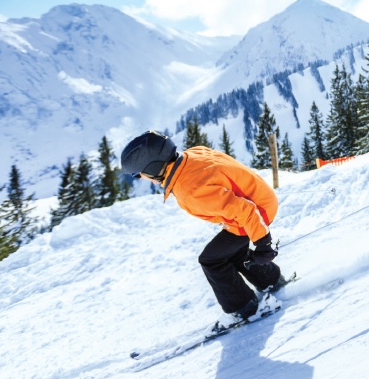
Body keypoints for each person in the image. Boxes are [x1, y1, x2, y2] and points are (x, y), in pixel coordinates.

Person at [120, 130, 287, 332]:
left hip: (256, 211)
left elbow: (246, 210)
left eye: (139, 173)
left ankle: (243, 308)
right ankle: (270, 281)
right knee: (230, 251)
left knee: (211, 260)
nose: (140, 177)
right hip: (260, 196)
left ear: (152, 167)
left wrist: (263, 243)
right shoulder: (192, 154)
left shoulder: (189, 189)